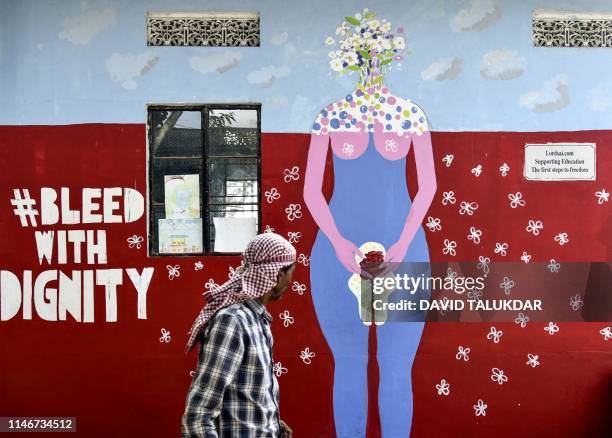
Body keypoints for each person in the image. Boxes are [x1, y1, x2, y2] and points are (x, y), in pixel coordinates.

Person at [303, 9, 437, 437]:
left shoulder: (411, 115)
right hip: (334, 255)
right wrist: (340, 244)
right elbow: (312, 192)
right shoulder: (329, 117)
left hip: (407, 250)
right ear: (350, 59)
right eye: (364, 57)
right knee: (349, 361)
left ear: (390, 58)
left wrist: (401, 244)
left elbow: (427, 187)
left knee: (398, 364)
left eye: (378, 56)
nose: (372, 66)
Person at [182, 232, 297, 437]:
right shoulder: (233, 321)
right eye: (291, 272)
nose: (291, 281)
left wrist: (270, 424)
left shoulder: (257, 319)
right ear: (278, 275)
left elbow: (243, 393)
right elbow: (199, 415)